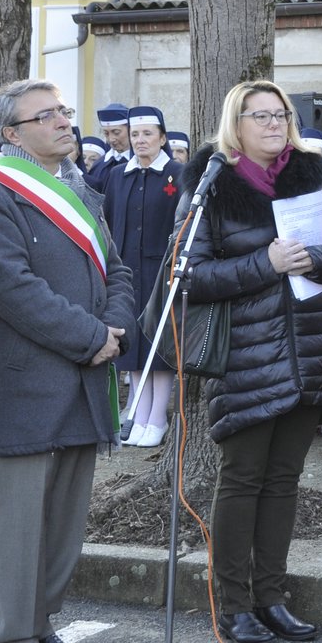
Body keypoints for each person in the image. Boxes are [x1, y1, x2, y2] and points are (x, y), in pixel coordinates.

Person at [0, 79, 136, 643]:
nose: (64, 121)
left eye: (63, 111)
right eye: (47, 115)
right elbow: (11, 290)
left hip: (83, 379)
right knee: (19, 519)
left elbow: (118, 268)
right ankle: (12, 636)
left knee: (63, 517)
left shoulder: (81, 189)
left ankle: (42, 623)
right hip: (25, 383)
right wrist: (92, 339)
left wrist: (115, 325)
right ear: (12, 132)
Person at [178, 81, 322, 643]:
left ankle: (272, 597)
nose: (271, 124)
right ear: (234, 124)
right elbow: (187, 275)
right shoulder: (211, 184)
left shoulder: (314, 175)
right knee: (241, 481)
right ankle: (233, 605)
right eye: (258, 115)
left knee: (284, 481)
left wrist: (311, 256)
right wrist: (266, 262)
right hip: (245, 357)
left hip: (311, 351)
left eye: (279, 114)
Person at [101, 105, 184, 448]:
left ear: (162, 137)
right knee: (134, 346)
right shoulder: (119, 176)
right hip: (128, 271)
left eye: (147, 134)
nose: (140, 141)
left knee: (158, 343)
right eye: (135, 134)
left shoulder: (177, 174)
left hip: (160, 271)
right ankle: (137, 412)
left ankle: (157, 416)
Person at [84, 102, 130, 191]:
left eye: (116, 132)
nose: (111, 139)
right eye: (106, 133)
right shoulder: (99, 164)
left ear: (130, 130)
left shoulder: (142, 161)